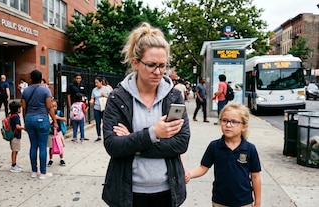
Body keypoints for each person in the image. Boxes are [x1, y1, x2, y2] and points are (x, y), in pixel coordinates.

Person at [101, 22, 190, 207]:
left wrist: (134, 143)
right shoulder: (118, 97)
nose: (158, 72)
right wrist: (154, 133)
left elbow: (180, 143)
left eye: (162, 65)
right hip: (129, 194)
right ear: (135, 62)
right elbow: (113, 146)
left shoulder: (174, 96)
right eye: (151, 65)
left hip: (168, 191)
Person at [186, 102, 261, 207]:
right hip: (220, 201)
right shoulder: (214, 146)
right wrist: (189, 174)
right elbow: (203, 167)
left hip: (244, 202)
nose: (228, 125)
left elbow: (255, 176)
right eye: (225, 120)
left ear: (244, 126)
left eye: (234, 122)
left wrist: (257, 202)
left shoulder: (250, 149)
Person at [22, 70, 58, 180]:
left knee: (33, 145)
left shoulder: (25, 91)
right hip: (42, 118)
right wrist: (55, 121)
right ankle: (43, 172)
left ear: (31, 78)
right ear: (41, 78)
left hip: (29, 118)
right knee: (43, 146)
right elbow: (49, 107)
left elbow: (24, 108)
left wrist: (25, 121)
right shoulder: (45, 90)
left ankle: (34, 171)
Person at [89, 76, 110, 142]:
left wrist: (105, 95)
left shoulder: (106, 89)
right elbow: (92, 97)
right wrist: (91, 100)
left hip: (104, 108)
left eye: (97, 82)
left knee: (105, 122)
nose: (96, 84)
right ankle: (99, 136)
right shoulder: (94, 90)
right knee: (97, 122)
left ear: (101, 82)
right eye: (95, 83)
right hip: (97, 107)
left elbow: (111, 97)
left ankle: (106, 135)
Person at [47, 100, 66, 166]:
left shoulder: (59, 112)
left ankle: (62, 158)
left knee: (59, 145)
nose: (54, 108)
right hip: (50, 132)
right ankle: (50, 159)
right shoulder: (47, 114)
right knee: (51, 146)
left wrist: (58, 117)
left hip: (58, 132)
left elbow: (65, 119)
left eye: (55, 106)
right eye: (52, 106)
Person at [8, 101, 26, 173]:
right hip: (15, 136)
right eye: (20, 108)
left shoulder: (11, 115)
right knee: (15, 151)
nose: (20, 110)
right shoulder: (15, 117)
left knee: (15, 150)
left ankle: (14, 164)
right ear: (17, 109)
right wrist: (24, 128)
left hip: (13, 135)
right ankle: (13, 165)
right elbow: (17, 126)